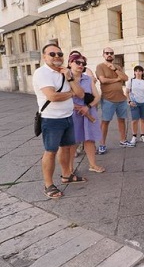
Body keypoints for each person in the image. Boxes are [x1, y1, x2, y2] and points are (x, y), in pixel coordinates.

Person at [33, 43, 86, 199]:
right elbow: (52, 96)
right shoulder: (42, 73)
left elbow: (81, 94)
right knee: (50, 151)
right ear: (44, 57)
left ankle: (66, 175)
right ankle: (48, 185)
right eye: (52, 54)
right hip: (51, 119)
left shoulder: (65, 72)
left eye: (60, 54)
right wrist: (71, 94)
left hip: (67, 116)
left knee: (67, 148)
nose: (57, 57)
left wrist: (69, 78)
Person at [67, 53, 105, 173]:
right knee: (73, 141)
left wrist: (87, 107)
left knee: (90, 139)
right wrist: (75, 106)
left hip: (88, 112)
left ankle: (93, 165)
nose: (81, 65)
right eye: (77, 62)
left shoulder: (88, 79)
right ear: (70, 63)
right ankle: (69, 168)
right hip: (72, 113)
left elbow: (97, 97)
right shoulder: (64, 79)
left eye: (83, 63)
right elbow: (62, 97)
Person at [95, 47, 132, 153]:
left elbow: (125, 78)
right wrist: (116, 79)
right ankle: (102, 144)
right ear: (103, 55)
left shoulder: (117, 67)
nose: (109, 55)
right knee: (105, 122)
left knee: (122, 120)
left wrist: (115, 69)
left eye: (111, 53)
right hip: (108, 99)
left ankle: (123, 140)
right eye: (107, 53)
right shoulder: (100, 66)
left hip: (121, 98)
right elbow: (102, 80)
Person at [127, 65, 144, 145]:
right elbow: (126, 92)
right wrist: (129, 101)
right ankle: (134, 136)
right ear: (134, 72)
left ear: (142, 72)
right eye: (136, 71)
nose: (138, 73)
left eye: (139, 71)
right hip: (134, 102)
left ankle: (142, 135)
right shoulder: (131, 81)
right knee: (135, 120)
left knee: (143, 119)